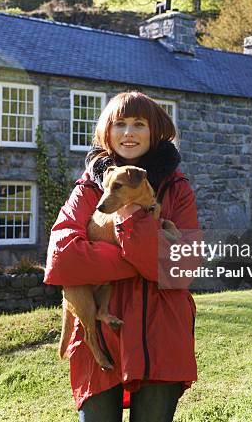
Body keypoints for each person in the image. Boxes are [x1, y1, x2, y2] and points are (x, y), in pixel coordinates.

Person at [44, 91, 199, 422]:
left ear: (155, 131)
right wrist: (140, 261)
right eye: (120, 124)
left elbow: (181, 268)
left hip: (162, 338)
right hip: (99, 339)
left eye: (139, 124)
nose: (128, 133)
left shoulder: (177, 188)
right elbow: (62, 259)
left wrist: (129, 216)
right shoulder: (89, 188)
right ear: (107, 132)